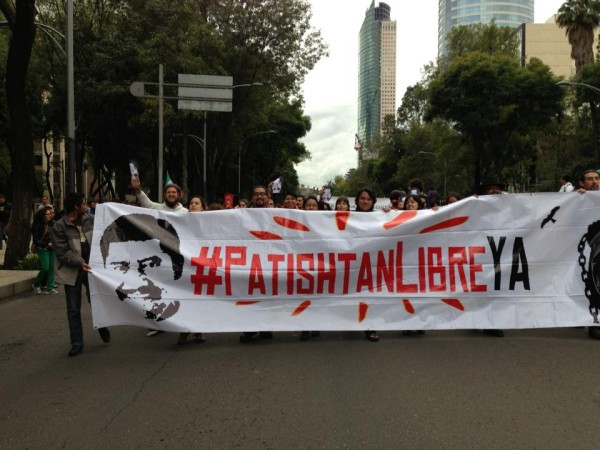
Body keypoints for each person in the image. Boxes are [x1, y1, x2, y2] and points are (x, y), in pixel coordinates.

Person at [52, 192, 110, 357]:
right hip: (73, 271)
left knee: (97, 301)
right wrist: (79, 262)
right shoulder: (60, 226)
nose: (86, 206)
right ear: (76, 207)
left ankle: (102, 326)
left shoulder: (88, 220)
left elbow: (102, 235)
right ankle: (77, 342)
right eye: (83, 204)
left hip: (92, 268)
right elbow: (62, 252)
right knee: (73, 308)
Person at [240, 185, 274, 342]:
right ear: (252, 197)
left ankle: (266, 327)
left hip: (270, 261)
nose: (259, 197)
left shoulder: (276, 214)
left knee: (267, 295)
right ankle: (250, 328)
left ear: (267, 197)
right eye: (256, 195)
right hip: (250, 260)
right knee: (251, 295)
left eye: (262, 194)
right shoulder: (241, 215)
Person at [478, 178, 505, 337]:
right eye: (491, 188)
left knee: (497, 287)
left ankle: (493, 321)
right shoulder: (476, 205)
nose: (495, 191)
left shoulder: (510, 205)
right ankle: (481, 319)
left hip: (501, 252)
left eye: (497, 188)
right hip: (482, 253)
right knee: (482, 287)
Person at [177, 196, 206, 345]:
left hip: (202, 266)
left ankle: (198, 330)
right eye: (191, 203)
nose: (193, 205)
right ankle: (183, 330)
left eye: (197, 203)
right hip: (186, 265)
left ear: (202, 208)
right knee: (185, 297)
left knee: (199, 298)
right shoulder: (182, 221)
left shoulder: (210, 222)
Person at [575, 169, 600, 340]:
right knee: (591, 282)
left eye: (597, 178)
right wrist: (575, 198)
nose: (594, 182)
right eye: (589, 179)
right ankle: (592, 322)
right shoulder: (577, 198)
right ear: (582, 183)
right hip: (589, 249)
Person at [355, 188, 380, 342]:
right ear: (357, 200)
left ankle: (370, 327)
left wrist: (390, 212)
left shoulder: (380, 217)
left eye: (369, 199)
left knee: (369, 295)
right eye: (362, 198)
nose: (365, 201)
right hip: (350, 263)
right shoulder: (345, 217)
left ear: (373, 202)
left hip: (371, 263)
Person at [31, 207, 58, 295]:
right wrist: (46, 244)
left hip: (52, 248)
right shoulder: (37, 225)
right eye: (47, 214)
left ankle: (50, 287)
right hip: (42, 248)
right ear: (42, 215)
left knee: (51, 269)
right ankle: (36, 284)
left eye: (50, 214)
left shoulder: (52, 224)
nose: (49, 216)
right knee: (45, 268)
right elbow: (36, 240)